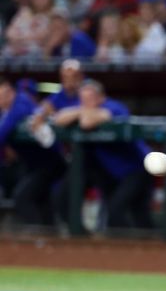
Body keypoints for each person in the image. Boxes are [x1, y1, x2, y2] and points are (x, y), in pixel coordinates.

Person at [51, 80, 153, 231]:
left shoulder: (115, 107)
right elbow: (58, 119)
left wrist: (81, 112)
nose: (85, 103)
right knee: (118, 212)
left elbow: (87, 123)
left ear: (100, 97)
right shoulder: (83, 109)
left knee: (129, 212)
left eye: (90, 98)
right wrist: (82, 110)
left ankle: (146, 246)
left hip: (136, 170)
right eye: (82, 99)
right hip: (112, 173)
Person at [0, 76, 66, 226]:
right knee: (42, 201)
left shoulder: (21, 103)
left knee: (22, 198)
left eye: (5, 94)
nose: (2, 100)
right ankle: (49, 236)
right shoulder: (7, 109)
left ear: (11, 91)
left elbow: (2, 133)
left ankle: (39, 235)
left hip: (50, 162)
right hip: (35, 165)